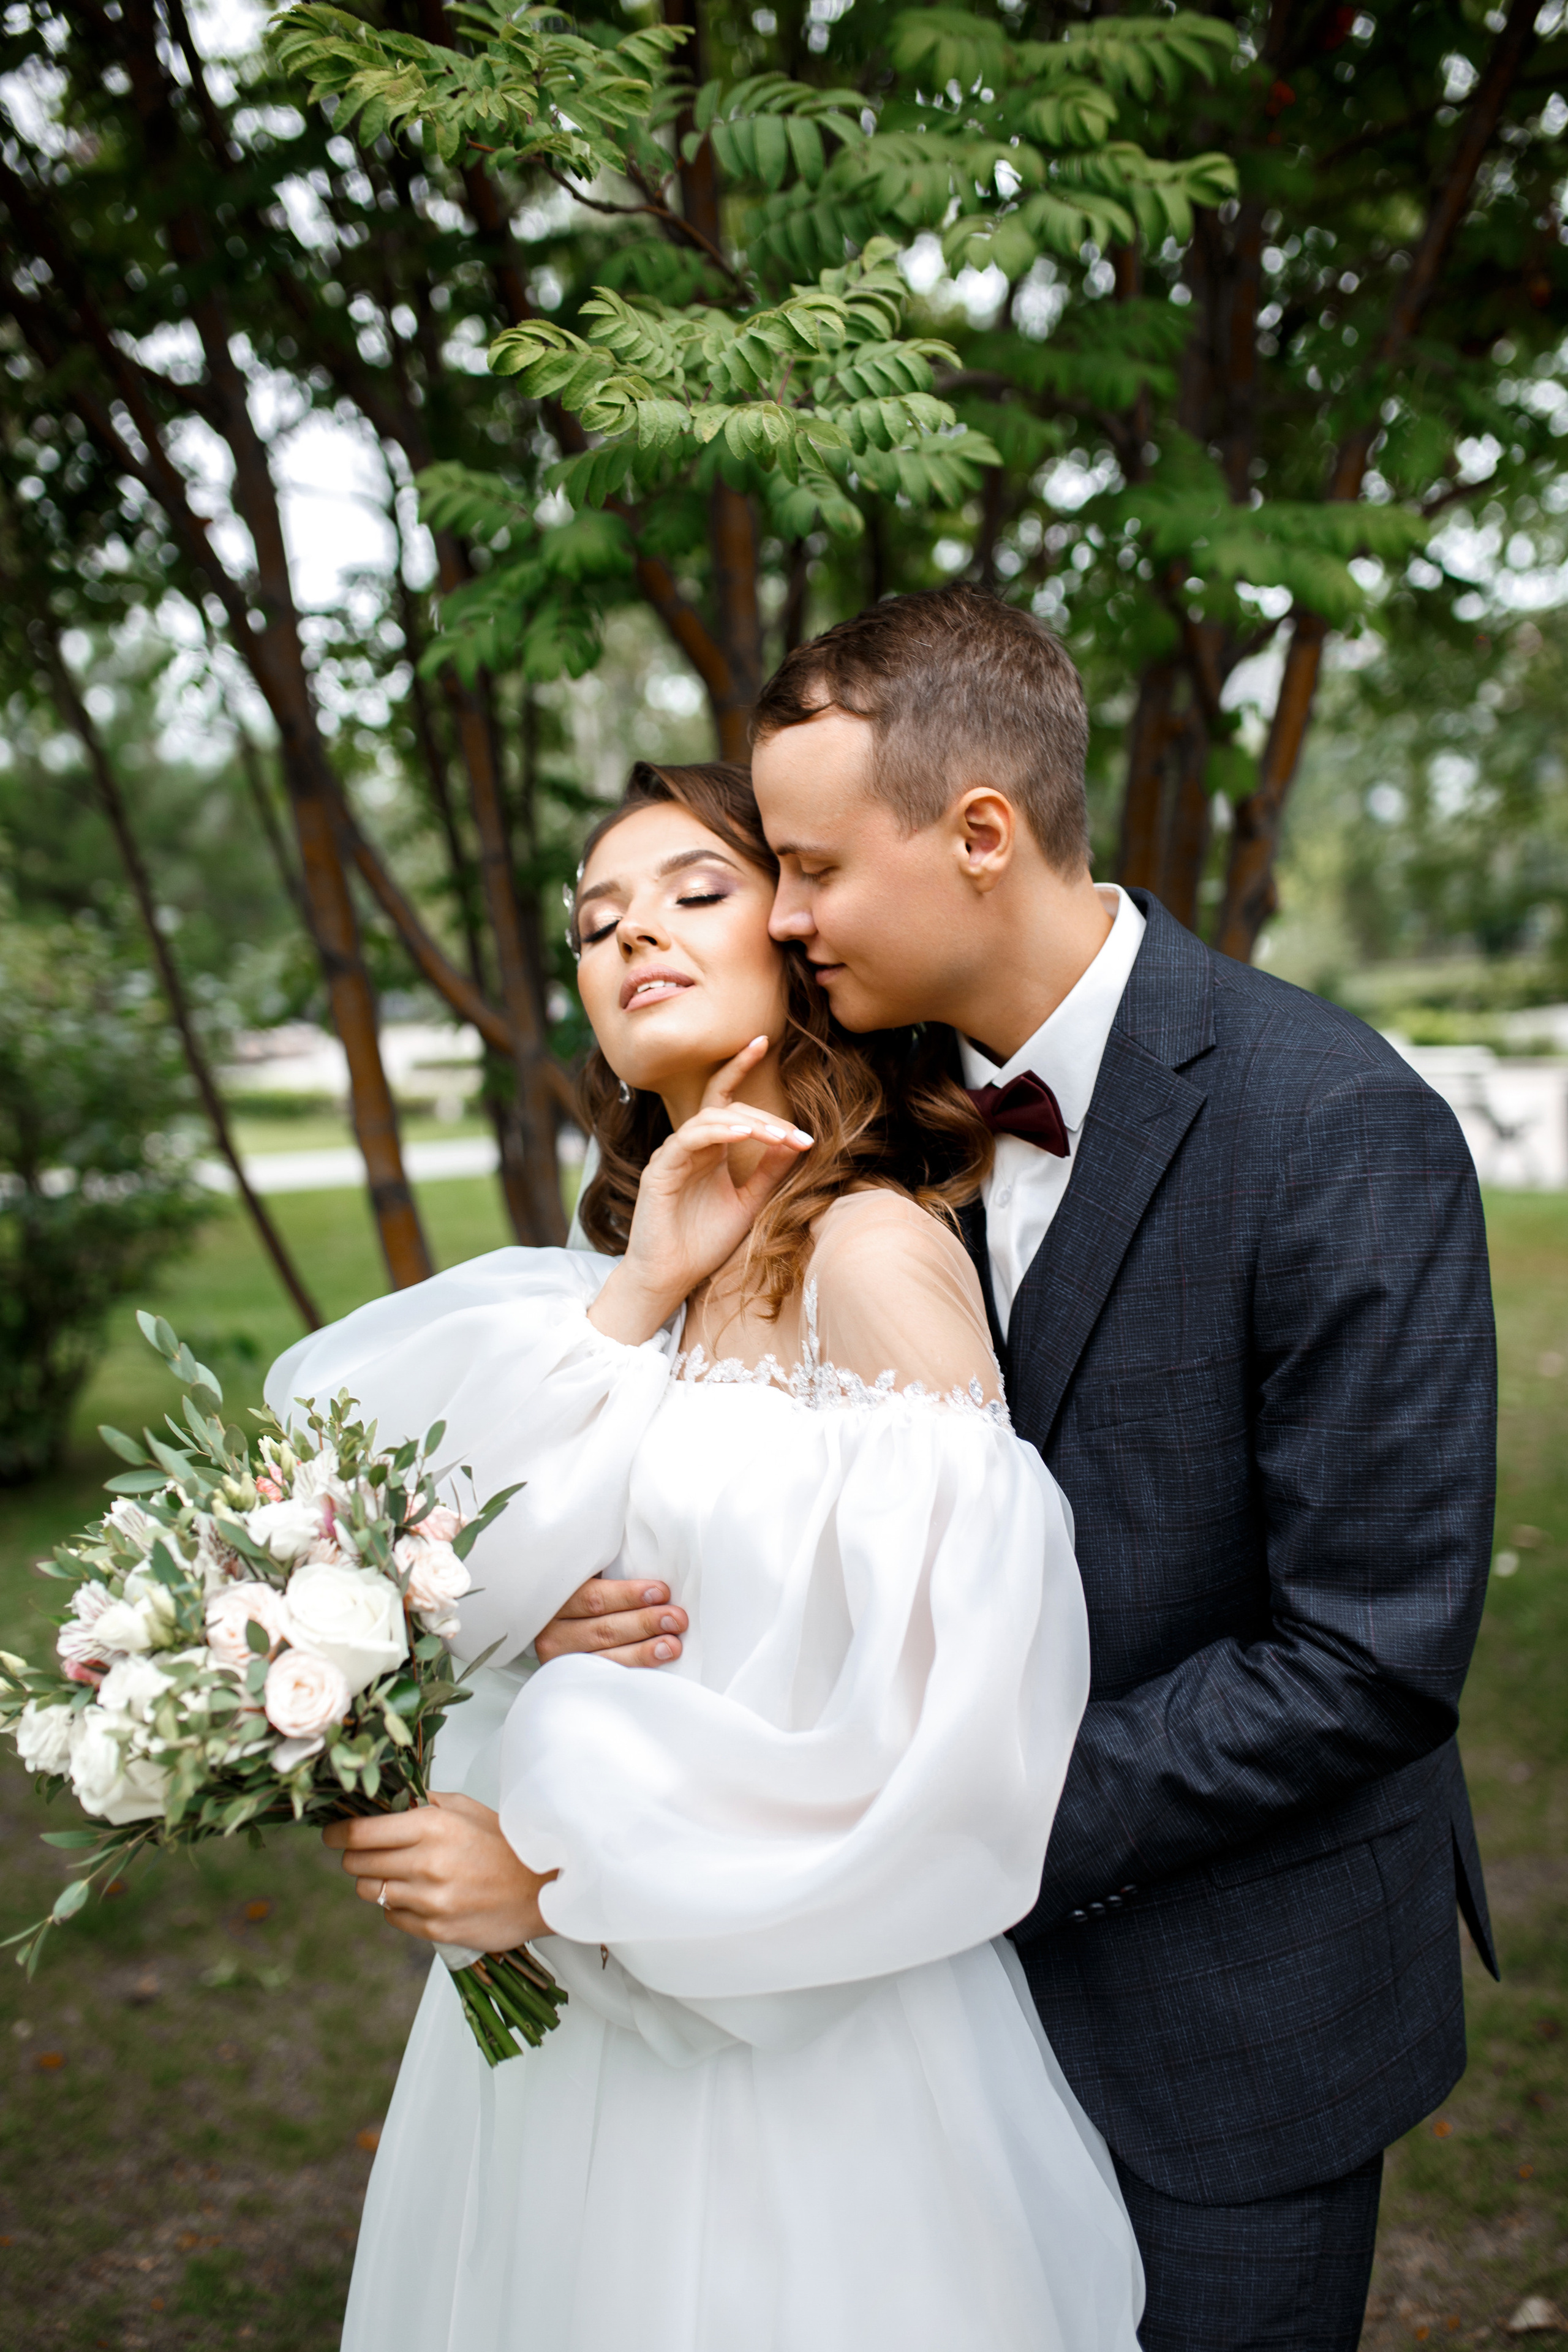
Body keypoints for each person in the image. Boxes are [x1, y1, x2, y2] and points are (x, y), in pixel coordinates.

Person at [537, 587, 1499, 2352]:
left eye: (812, 867)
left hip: (1233, 2019)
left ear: (981, 834)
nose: (787, 912)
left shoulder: (1336, 1126)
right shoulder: (849, 1118)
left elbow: (1368, 1652)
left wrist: (924, 1830)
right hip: (903, 2039)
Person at [266, 760, 1145, 2352]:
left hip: (783, 2061)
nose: (630, 938)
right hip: (555, 2059)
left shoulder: (874, 1257)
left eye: (691, 892)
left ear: (801, 938)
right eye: (597, 921)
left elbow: (947, 1733)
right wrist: (635, 1307)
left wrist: (554, 1883)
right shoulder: (606, 1296)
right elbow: (434, 1574)